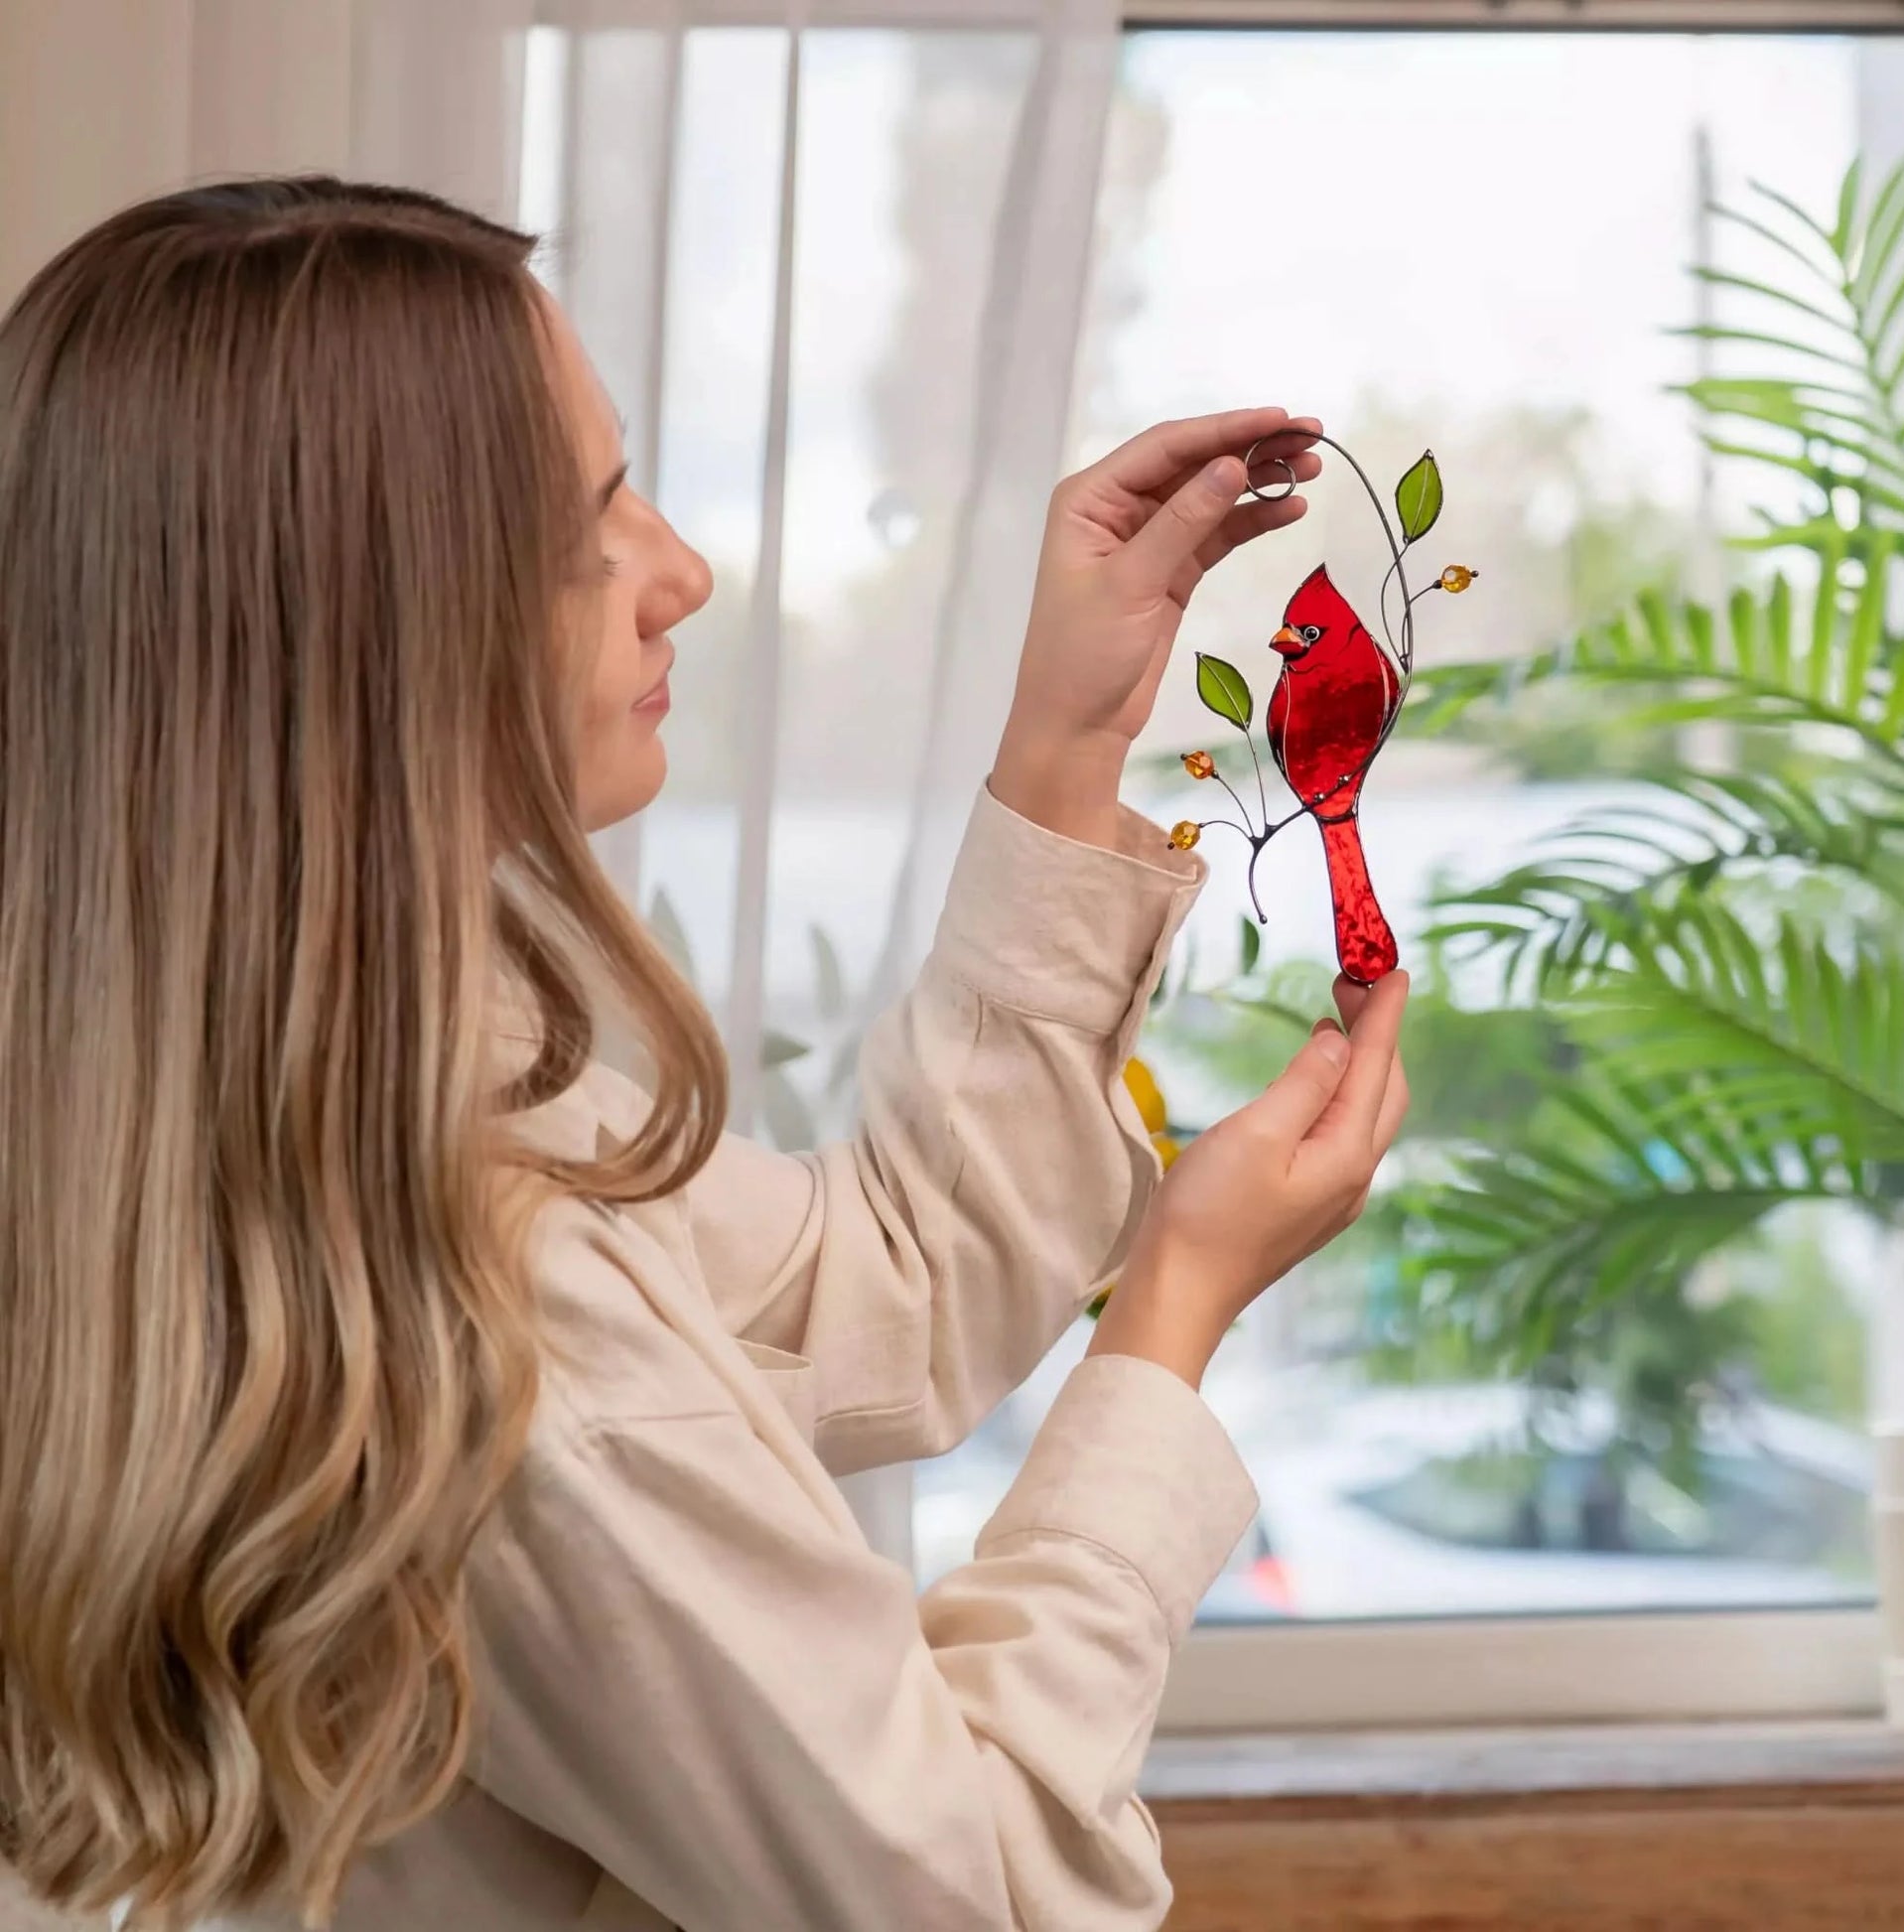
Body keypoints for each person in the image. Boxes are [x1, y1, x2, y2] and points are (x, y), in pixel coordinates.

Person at [0, 178, 1408, 1932]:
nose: (679, 573)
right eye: (588, 522)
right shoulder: (491, 1313)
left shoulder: (203, 1121)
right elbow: (969, 1892)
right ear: (386, 628)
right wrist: (1171, 1315)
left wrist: (1068, 737)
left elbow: (875, 1284)